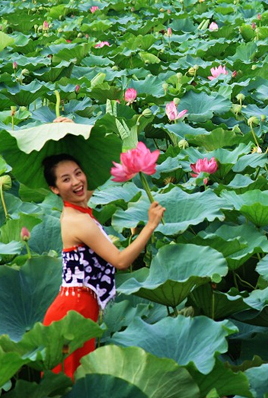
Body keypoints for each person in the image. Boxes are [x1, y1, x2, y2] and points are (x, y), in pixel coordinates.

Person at [41, 152, 165, 380]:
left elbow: (97, 173)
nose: (77, 182)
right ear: (54, 189)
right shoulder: (79, 221)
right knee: (70, 383)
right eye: (66, 179)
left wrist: (73, 132)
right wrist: (150, 225)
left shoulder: (76, 207)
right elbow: (120, 261)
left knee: (77, 380)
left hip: (79, 308)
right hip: (72, 312)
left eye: (78, 173)